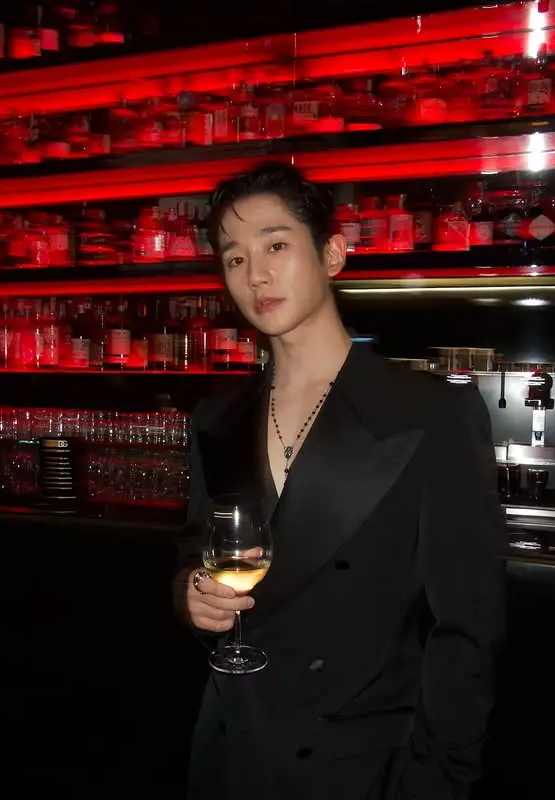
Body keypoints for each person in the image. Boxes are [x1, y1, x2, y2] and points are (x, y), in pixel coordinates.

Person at [174, 162, 506, 800]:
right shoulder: (219, 415)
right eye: (235, 258)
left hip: (360, 763)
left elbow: (468, 630)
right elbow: (196, 546)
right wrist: (191, 596)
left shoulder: (429, 411)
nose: (255, 274)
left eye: (276, 245)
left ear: (332, 254)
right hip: (232, 748)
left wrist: (434, 782)